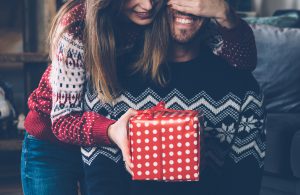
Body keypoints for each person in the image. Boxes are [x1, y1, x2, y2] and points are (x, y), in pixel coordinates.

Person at [22, 0, 258, 194]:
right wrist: (112, 130)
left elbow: (244, 61)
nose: (147, 5)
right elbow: (63, 121)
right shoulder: (78, 28)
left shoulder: (157, 16)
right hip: (52, 140)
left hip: (100, 137)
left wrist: (226, 15)